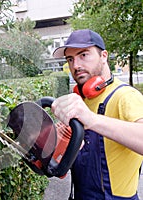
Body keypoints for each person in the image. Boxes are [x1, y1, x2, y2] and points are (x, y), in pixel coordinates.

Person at [51, 29, 143, 199]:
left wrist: (92, 120)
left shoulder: (125, 96)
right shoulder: (81, 100)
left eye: (83, 55)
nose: (75, 65)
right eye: (70, 59)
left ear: (104, 56)